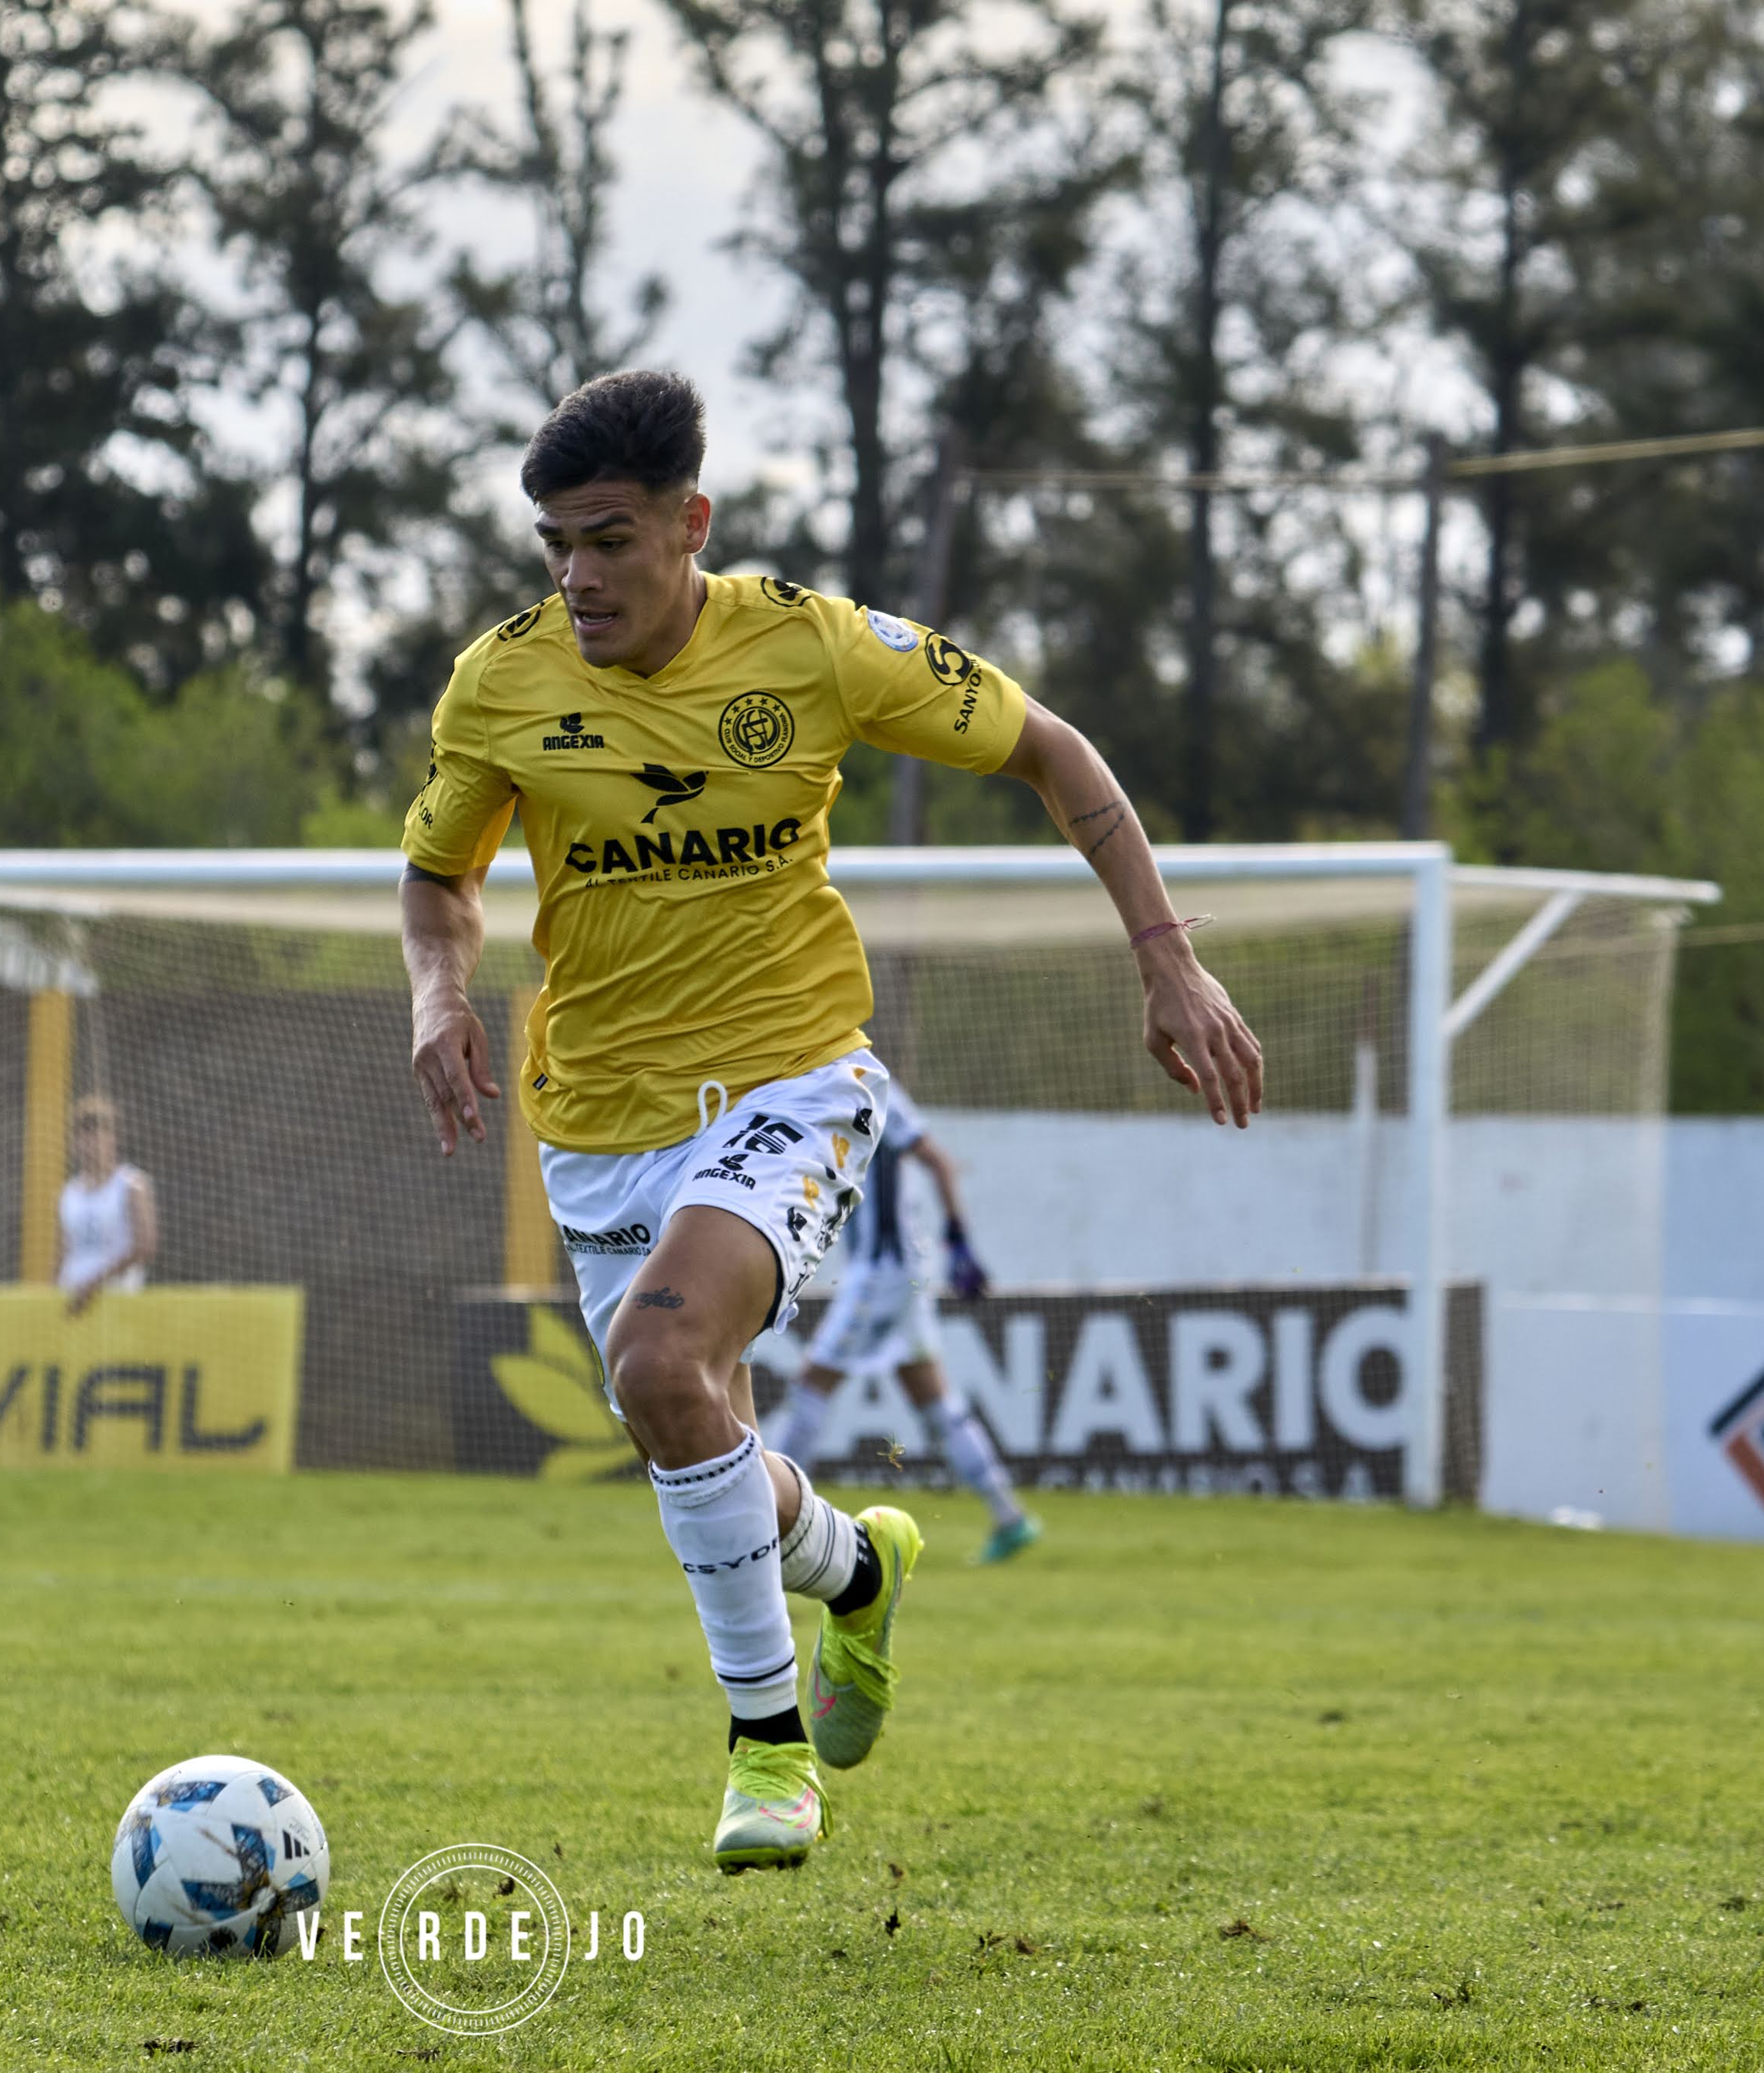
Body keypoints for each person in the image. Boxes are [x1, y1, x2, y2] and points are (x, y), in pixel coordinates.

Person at [400, 370, 1261, 1871]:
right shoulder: (499, 681)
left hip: (793, 1079)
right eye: (553, 543)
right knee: (684, 1418)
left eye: (606, 539)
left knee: (661, 1358)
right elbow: (437, 876)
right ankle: (856, 1569)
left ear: (690, 522)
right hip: (595, 1114)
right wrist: (432, 992)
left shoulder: (812, 646)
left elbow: (1055, 752)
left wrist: (1165, 953)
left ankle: (766, 1744)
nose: (575, 575)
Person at [758, 1083, 1039, 1564]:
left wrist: (959, 1239)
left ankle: (770, 1522)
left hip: (882, 1274)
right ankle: (1009, 1517)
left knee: (811, 1384)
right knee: (933, 1399)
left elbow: (939, 1161)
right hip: (898, 1273)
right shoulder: (833, 1084)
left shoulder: (867, 1084)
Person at [55, 1095, 159, 1316]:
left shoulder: (131, 1185)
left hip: (118, 1303)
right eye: (85, 1135)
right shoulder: (69, 1193)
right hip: (72, 1302)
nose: (93, 1143)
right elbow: (62, 1253)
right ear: (74, 1142)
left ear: (113, 1139)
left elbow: (145, 1246)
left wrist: (93, 1285)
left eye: (100, 1134)